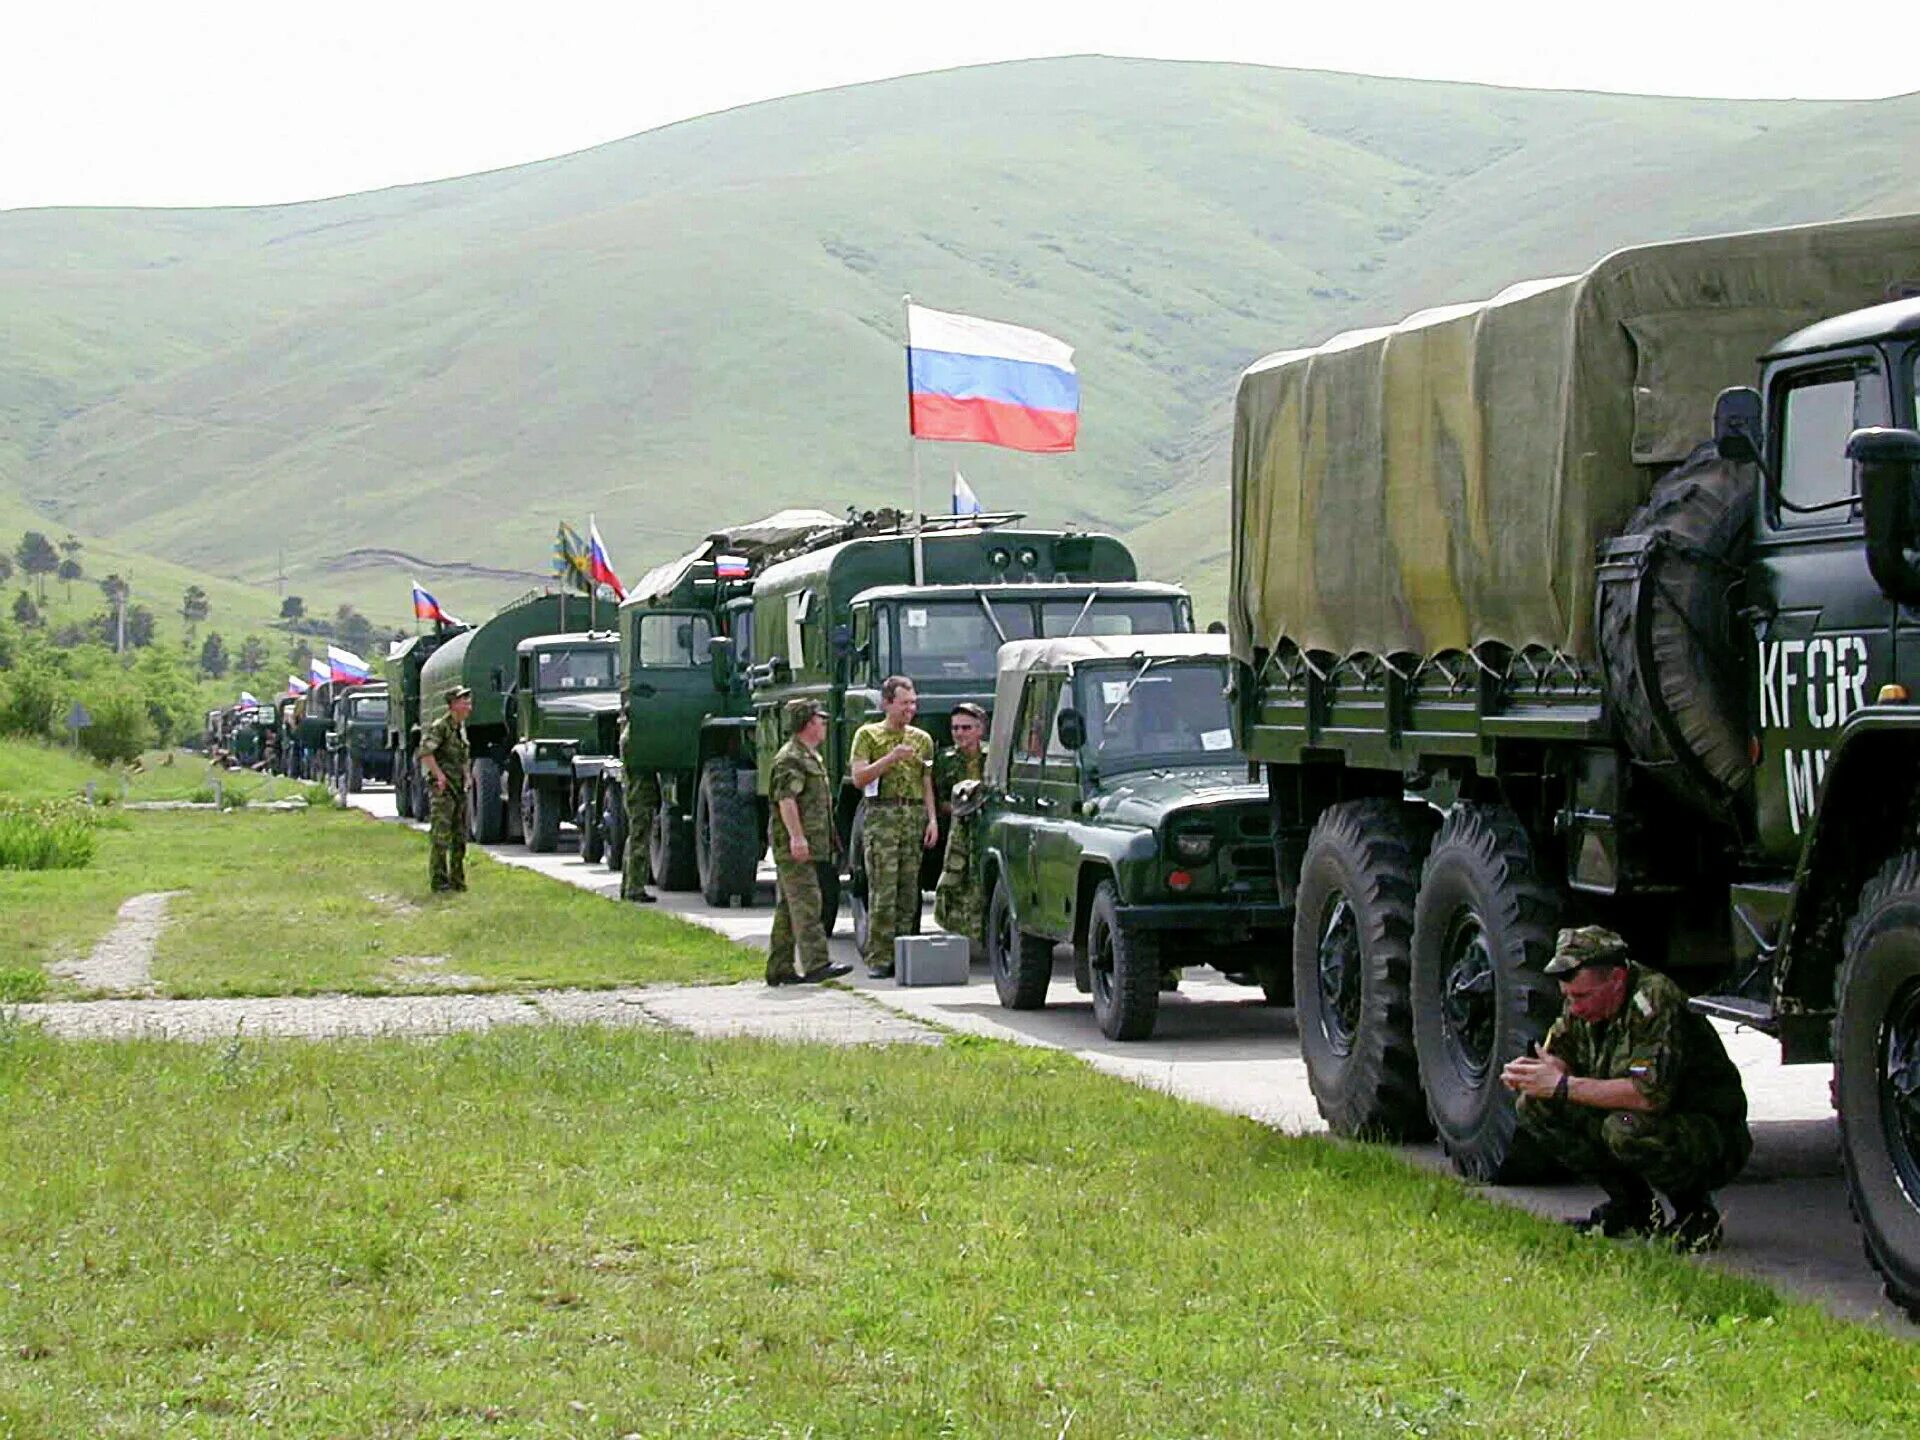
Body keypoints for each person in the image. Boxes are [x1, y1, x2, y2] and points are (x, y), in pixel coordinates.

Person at [1501, 925, 1752, 1251]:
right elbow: (1560, 1053)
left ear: (1616, 980)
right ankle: (1633, 1208)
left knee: (1624, 1130)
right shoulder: (1582, 1004)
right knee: (1535, 1106)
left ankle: (1695, 1214)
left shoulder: (1654, 1000)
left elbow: (1647, 1095)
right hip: (1643, 1118)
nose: (1574, 1007)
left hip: (1709, 1132)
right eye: (1568, 997)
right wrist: (1540, 1074)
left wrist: (1562, 1085)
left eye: (1582, 997)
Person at [848, 675, 938, 978]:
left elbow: (926, 781)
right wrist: (890, 758)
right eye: (903, 703)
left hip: (912, 816)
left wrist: (932, 819)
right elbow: (860, 778)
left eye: (913, 703)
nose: (909, 709)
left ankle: (905, 954)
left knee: (909, 892)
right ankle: (880, 957)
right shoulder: (867, 736)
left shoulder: (921, 739)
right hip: (882, 815)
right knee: (883, 889)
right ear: (887, 703)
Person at [766, 700, 851, 987]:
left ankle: (779, 967)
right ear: (808, 723)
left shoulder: (808, 755)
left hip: (810, 842)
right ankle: (817, 963)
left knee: (790, 907)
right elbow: (786, 800)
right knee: (808, 902)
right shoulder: (791, 758)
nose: (824, 724)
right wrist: (797, 837)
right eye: (820, 720)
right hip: (795, 844)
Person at [932, 702, 990, 953]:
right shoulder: (945, 761)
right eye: (955, 728)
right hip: (960, 828)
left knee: (983, 880)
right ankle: (956, 934)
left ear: (980, 730)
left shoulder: (994, 757)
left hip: (989, 826)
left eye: (966, 727)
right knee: (954, 878)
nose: (960, 733)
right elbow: (937, 797)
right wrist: (958, 807)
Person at [418, 685, 473, 893]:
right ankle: (439, 882)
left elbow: (463, 756)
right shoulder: (441, 727)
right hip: (443, 790)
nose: (468, 704)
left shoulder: (461, 728)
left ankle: (457, 881)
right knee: (440, 838)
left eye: (468, 701)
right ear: (452, 705)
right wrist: (439, 776)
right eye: (463, 701)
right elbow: (425, 753)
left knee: (460, 837)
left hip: (459, 789)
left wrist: (467, 776)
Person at [616, 712, 659, 904]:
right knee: (639, 840)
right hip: (640, 794)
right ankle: (634, 888)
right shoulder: (633, 739)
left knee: (634, 838)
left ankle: (628, 886)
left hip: (636, 793)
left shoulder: (629, 736)